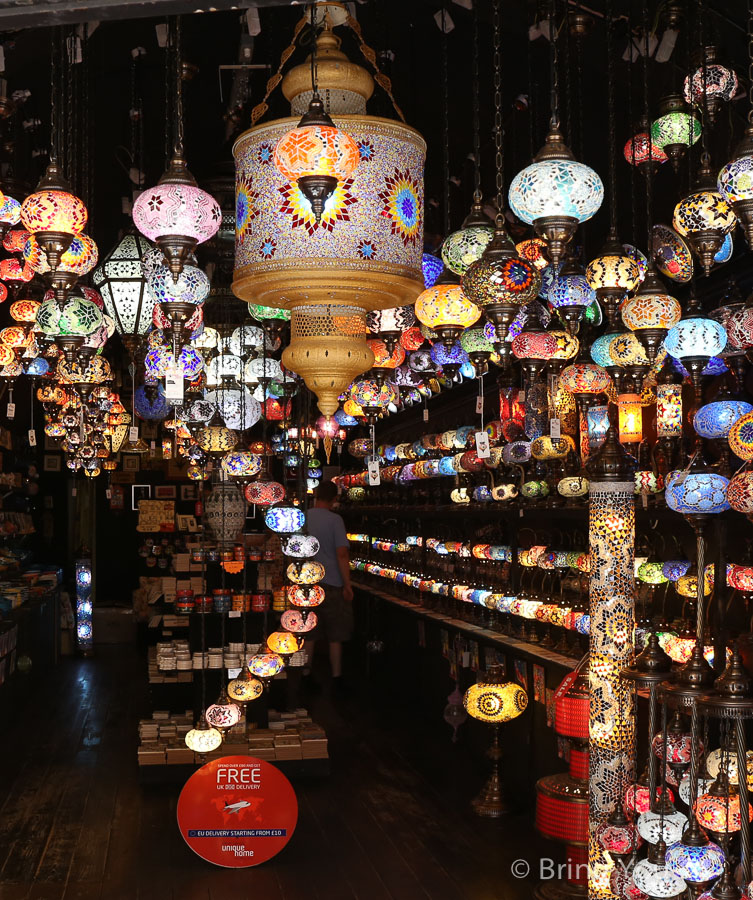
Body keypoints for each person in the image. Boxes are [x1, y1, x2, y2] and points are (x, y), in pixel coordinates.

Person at [305, 480, 353, 687]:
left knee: (309, 633)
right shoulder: (335, 520)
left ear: (315, 495)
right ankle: (337, 677)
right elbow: (342, 554)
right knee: (336, 634)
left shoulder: (303, 518)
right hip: (332, 582)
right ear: (334, 499)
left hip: (306, 583)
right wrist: (348, 585)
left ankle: (305, 676)